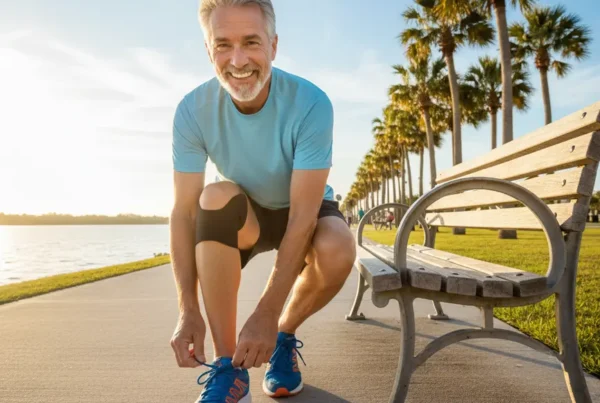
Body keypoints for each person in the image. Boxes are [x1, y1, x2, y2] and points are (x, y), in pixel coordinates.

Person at [169, 1, 356, 402]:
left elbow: (304, 215)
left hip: (301, 208)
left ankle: (283, 337)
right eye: (223, 45)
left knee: (338, 247)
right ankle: (228, 371)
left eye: (251, 42)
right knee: (213, 196)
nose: (238, 60)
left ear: (273, 45)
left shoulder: (311, 102)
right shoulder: (192, 111)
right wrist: (187, 308)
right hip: (246, 211)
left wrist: (268, 314)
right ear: (208, 50)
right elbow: (184, 214)